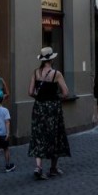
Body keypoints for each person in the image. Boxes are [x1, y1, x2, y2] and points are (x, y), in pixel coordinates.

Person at [28, 47, 70, 180]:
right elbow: (65, 92)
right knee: (55, 135)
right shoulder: (56, 73)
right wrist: (55, 98)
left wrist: (40, 98)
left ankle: (38, 166)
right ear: (51, 59)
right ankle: (53, 168)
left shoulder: (35, 72)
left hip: (38, 108)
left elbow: (30, 92)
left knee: (38, 135)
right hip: (52, 108)